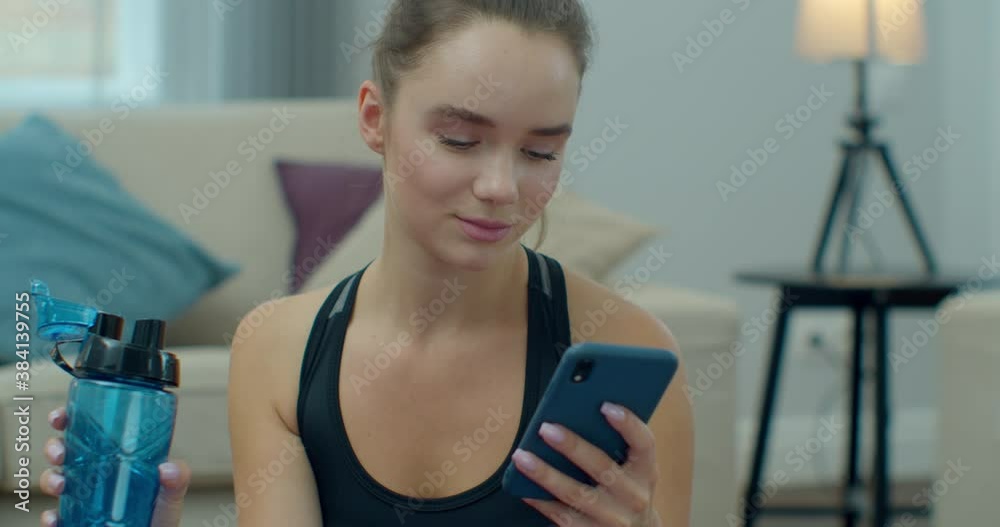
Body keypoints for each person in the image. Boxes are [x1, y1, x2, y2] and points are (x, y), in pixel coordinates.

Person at [39, 1, 694, 525]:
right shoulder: (276, 349)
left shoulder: (629, 347)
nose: (501, 186)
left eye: (540, 153)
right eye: (460, 140)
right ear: (375, 118)